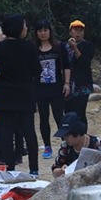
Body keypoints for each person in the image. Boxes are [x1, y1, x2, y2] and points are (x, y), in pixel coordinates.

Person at [0, 14, 42, 175]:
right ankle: (34, 168)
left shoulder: (1, 47)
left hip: (4, 94)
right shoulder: (29, 46)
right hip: (25, 93)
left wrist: (1, 39)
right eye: (24, 25)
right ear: (18, 28)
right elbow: (37, 70)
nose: (26, 28)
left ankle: (10, 168)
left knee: (6, 133)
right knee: (29, 131)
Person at [33, 19, 71, 159]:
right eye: (40, 30)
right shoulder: (33, 49)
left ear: (50, 31)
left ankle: (66, 144)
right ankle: (47, 145)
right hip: (40, 89)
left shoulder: (59, 47)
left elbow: (66, 66)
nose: (43, 33)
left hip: (56, 87)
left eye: (45, 30)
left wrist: (66, 83)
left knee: (59, 116)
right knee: (43, 118)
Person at [51, 112, 101, 178]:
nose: (65, 138)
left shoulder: (98, 144)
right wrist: (62, 171)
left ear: (77, 132)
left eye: (67, 135)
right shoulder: (65, 146)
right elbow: (55, 172)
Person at [65, 19, 95, 130]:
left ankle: (82, 136)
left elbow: (84, 63)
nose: (78, 33)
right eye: (75, 30)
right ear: (70, 32)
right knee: (68, 112)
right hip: (68, 84)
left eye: (81, 30)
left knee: (80, 113)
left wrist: (75, 48)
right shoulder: (64, 47)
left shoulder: (88, 46)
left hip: (82, 85)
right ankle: (70, 136)